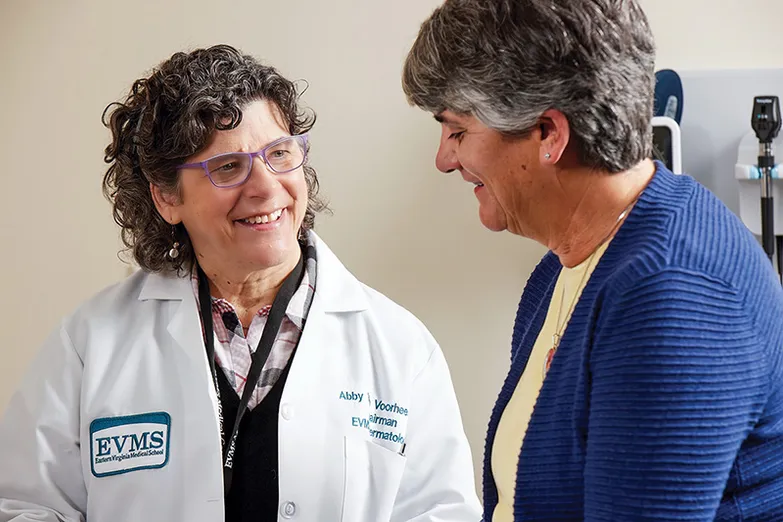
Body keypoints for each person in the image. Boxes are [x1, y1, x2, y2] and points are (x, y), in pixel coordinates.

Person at [0, 44, 481, 522]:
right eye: (228, 167)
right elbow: (25, 507)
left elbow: (441, 513)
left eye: (279, 153)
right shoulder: (90, 344)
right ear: (167, 198)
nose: (267, 186)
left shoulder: (401, 348)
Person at [402, 1, 783, 520]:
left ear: (548, 136)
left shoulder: (673, 296)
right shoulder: (566, 265)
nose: (444, 160)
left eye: (458, 132)